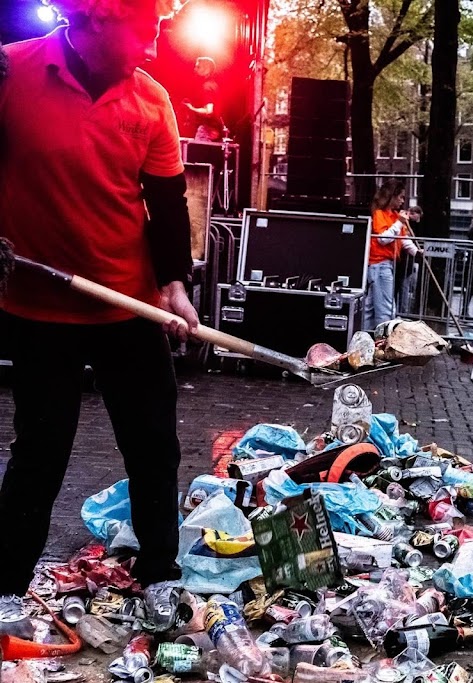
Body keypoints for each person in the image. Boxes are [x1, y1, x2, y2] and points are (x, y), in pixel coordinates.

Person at [0, 0, 199, 634]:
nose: (151, 41)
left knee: (153, 447)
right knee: (40, 451)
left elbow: (167, 204)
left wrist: (174, 286)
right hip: (41, 306)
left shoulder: (152, 100)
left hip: (128, 304)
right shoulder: (11, 73)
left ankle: (160, 575)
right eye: (142, 27)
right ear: (93, 19)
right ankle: (5, 584)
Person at [365, 179, 419, 329]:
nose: (402, 201)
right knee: (386, 309)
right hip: (380, 264)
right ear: (392, 196)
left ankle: (364, 336)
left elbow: (403, 239)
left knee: (370, 308)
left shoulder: (395, 216)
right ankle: (382, 342)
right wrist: (399, 223)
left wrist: (416, 251)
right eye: (401, 197)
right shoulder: (380, 214)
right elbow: (383, 238)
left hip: (383, 265)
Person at [181, 56, 223, 142]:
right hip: (213, 129)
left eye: (198, 67)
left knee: (197, 154)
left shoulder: (207, 87)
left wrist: (191, 108)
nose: (195, 69)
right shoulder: (213, 85)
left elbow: (208, 111)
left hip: (207, 129)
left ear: (207, 69)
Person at [395, 205, 423, 313]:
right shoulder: (404, 222)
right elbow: (405, 239)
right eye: (418, 217)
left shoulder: (409, 224)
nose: (418, 220)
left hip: (407, 261)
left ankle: (402, 309)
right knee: (403, 286)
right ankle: (402, 310)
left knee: (405, 286)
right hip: (403, 261)